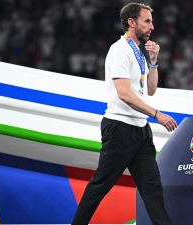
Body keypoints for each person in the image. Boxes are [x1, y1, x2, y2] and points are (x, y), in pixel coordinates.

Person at [71, 2, 177, 225]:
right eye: (147, 21)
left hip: (140, 130)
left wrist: (154, 63)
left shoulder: (139, 53)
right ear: (131, 22)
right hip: (120, 128)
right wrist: (157, 114)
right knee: (100, 185)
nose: (152, 27)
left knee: (152, 190)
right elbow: (124, 94)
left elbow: (150, 89)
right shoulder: (119, 50)